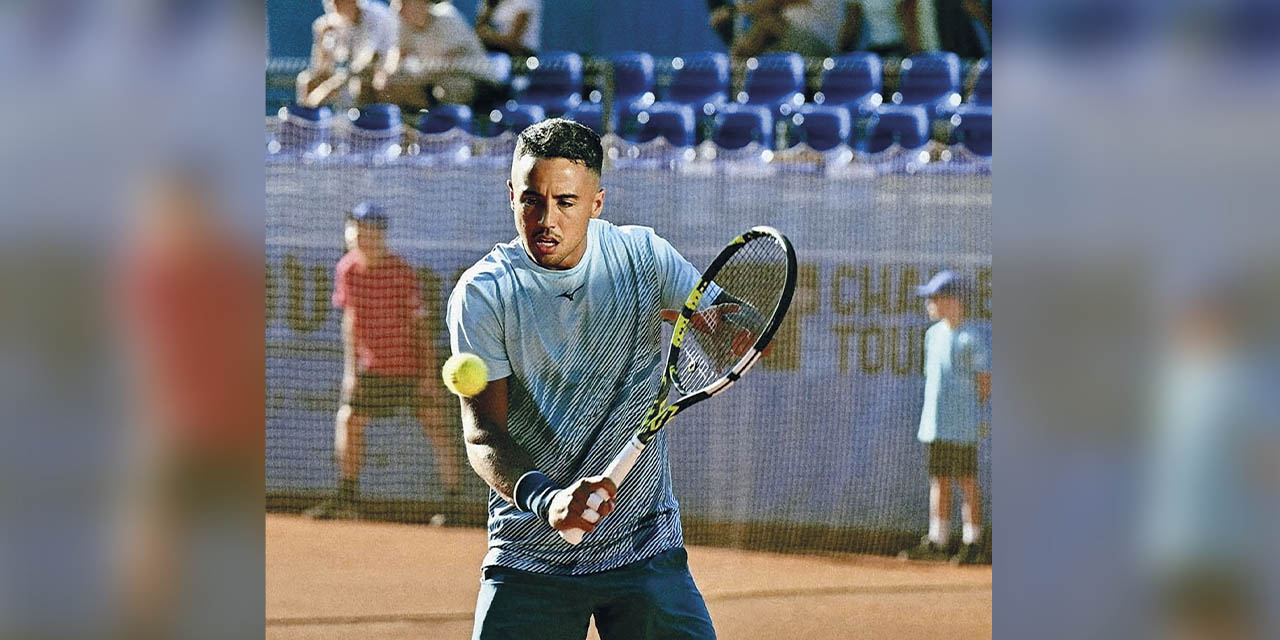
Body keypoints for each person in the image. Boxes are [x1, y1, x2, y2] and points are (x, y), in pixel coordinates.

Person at [447, 119, 717, 639]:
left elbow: (729, 324)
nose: (546, 219)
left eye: (566, 202)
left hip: (644, 548)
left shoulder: (642, 257)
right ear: (511, 196)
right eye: (531, 200)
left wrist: (736, 326)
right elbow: (483, 435)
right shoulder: (483, 292)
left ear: (596, 203)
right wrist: (549, 501)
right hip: (530, 557)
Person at [305, 202, 463, 520]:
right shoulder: (347, 270)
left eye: (370, 231)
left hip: (409, 368)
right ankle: (348, 499)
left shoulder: (401, 272)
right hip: (371, 370)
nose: (363, 237)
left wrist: (428, 376)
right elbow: (350, 320)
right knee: (349, 421)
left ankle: (453, 503)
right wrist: (351, 371)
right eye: (357, 230)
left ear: (382, 236)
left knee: (438, 429)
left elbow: (421, 326)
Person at [901, 270, 990, 565]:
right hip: (935, 425)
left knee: (966, 481)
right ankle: (938, 541)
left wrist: (967, 413)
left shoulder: (972, 337)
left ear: (955, 301)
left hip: (962, 428)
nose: (929, 304)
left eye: (935, 298)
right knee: (939, 481)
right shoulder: (932, 335)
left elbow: (985, 383)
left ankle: (972, 542)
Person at [375, 0, 499, 108]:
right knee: (393, 86)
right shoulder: (405, 24)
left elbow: (448, 64)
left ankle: (452, 129)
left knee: (447, 88)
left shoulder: (447, 17)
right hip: (436, 77)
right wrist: (385, 74)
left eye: (404, 2)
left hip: (477, 78)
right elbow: (398, 55)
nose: (398, 9)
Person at [296, 0, 398, 107]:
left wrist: (326, 88)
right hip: (353, 71)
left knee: (362, 81)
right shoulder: (335, 22)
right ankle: (309, 121)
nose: (333, 5)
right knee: (308, 81)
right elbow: (320, 69)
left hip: (388, 66)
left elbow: (365, 60)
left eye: (338, 1)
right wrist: (321, 42)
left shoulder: (377, 15)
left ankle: (362, 121)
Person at [840, 0, 939, 58]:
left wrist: (918, 61)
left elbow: (911, 25)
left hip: (901, 50)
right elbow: (851, 25)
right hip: (874, 51)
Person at [476, 0, 541, 58]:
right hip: (495, 51)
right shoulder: (488, 2)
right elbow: (478, 31)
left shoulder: (526, 2)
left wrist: (488, 36)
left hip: (522, 55)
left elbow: (513, 42)